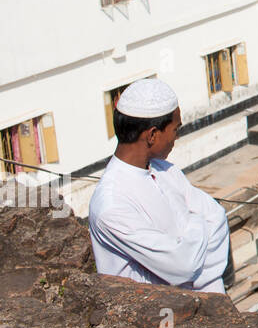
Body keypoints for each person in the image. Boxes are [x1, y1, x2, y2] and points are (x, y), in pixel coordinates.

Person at [87, 79, 230, 293]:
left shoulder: (165, 170)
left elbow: (217, 218)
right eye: (175, 130)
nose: (177, 137)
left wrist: (197, 275)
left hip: (201, 300)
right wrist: (196, 220)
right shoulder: (112, 205)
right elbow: (181, 265)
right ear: (153, 135)